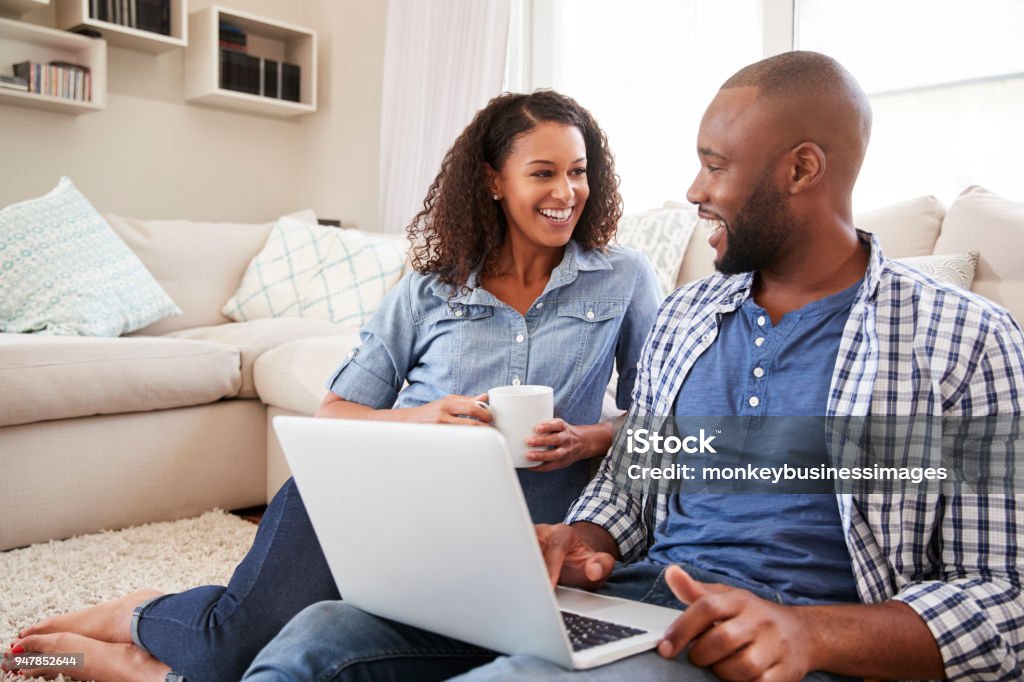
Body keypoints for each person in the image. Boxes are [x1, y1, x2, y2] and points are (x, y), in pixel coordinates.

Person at [239, 51, 1024, 682]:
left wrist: (808, 633)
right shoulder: (689, 316)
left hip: (775, 638)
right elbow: (630, 489)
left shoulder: (964, 340)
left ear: (801, 169)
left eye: (715, 166)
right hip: (643, 598)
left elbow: (1006, 600)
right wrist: (579, 541)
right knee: (321, 638)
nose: (693, 191)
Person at [5, 90, 662, 682]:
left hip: (505, 537)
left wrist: (589, 439)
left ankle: (140, 671)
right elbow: (334, 412)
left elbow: (661, 420)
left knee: (285, 664)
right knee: (225, 647)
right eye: (543, 172)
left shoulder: (623, 278)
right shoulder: (431, 291)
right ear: (493, 181)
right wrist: (422, 419)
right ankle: (138, 615)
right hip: (369, 499)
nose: (567, 191)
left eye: (578, 171)